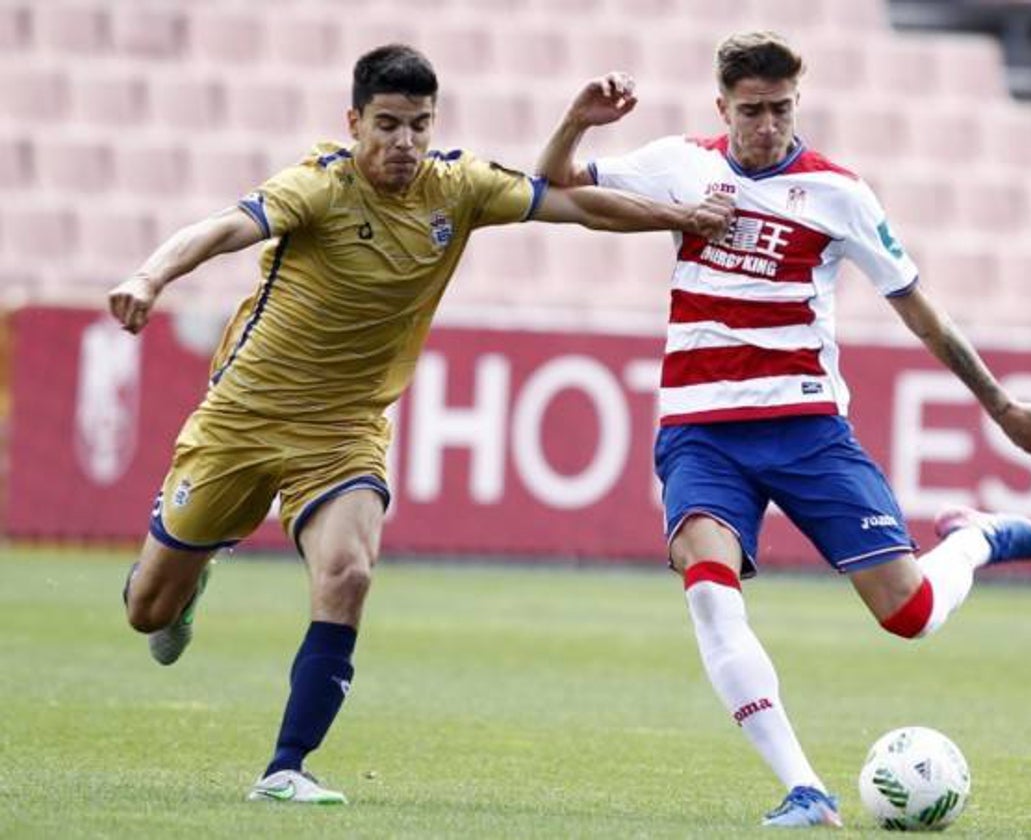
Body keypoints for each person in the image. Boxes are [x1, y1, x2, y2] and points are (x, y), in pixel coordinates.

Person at [108, 43, 734, 806]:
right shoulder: (317, 187)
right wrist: (149, 275)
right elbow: (220, 229)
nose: (404, 144)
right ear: (355, 122)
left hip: (345, 429)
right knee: (150, 611)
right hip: (245, 418)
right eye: (388, 125)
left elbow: (574, 205)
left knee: (349, 574)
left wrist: (681, 216)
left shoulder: (458, 186)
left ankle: (286, 766)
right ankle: (190, 577)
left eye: (419, 126)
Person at [536, 31, 1031, 828]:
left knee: (908, 615)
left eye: (782, 109)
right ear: (723, 108)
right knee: (710, 597)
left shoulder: (839, 194)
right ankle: (804, 787)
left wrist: (999, 406)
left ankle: (976, 539)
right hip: (702, 433)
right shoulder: (683, 165)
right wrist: (579, 120)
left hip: (808, 428)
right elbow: (556, 187)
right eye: (752, 110)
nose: (768, 125)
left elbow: (920, 312)